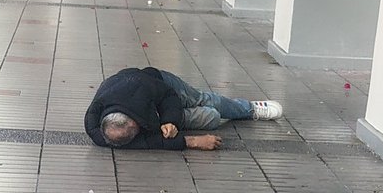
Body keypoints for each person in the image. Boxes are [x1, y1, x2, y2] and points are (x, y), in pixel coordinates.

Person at [85, 67, 283, 151]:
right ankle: (219, 114)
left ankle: (249, 109)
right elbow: (145, 143)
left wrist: (169, 120)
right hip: (156, 118)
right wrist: (193, 142)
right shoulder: (97, 126)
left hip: (163, 86)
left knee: (205, 99)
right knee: (212, 118)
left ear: (135, 120)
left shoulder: (141, 87)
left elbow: (169, 97)